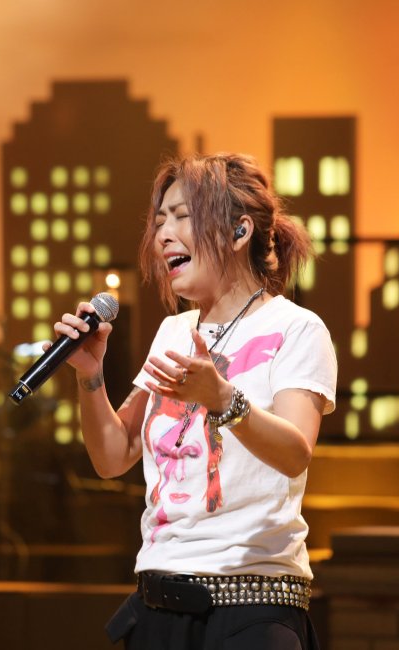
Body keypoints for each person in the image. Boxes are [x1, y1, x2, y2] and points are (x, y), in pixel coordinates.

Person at [53, 153, 336, 649]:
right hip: (157, 608)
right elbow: (112, 457)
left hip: (250, 609)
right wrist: (90, 377)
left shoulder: (295, 329)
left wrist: (223, 399)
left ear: (239, 231)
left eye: (182, 216)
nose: (163, 235)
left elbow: (295, 453)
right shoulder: (173, 332)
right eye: (160, 220)